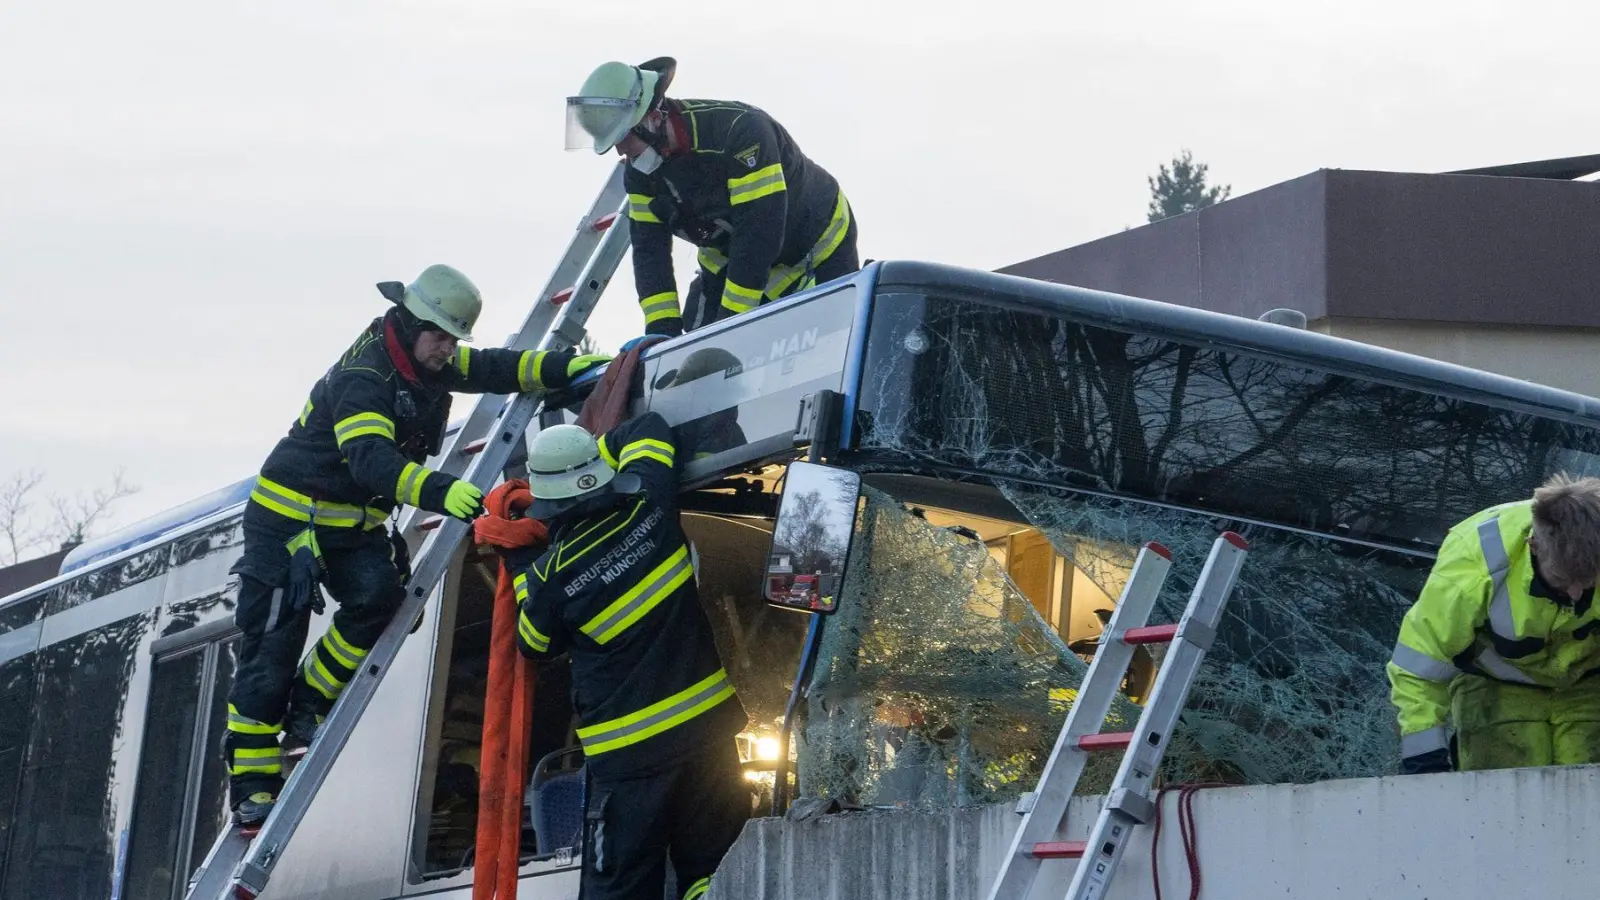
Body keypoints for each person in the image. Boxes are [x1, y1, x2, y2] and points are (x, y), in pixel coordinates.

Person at [223, 263, 611, 825]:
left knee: (380, 600)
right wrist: (440, 490)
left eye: (454, 338)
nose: (448, 349)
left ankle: (308, 698)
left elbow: (501, 367)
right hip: (290, 522)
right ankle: (252, 784)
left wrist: (570, 369)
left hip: (351, 522)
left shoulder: (427, 360)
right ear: (407, 324)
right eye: (439, 336)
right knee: (270, 651)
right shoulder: (364, 377)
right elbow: (370, 460)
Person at [509, 412, 750, 900]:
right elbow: (653, 428)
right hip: (707, 737)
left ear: (548, 502)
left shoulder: (550, 578)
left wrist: (517, 560)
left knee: (622, 887)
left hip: (630, 762)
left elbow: (533, 644)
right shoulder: (652, 507)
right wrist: (598, 447)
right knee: (716, 873)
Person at [566, 56, 860, 338]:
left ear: (653, 118)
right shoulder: (640, 175)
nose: (621, 152)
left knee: (831, 340)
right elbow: (649, 251)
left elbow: (758, 234)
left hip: (817, 244)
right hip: (730, 257)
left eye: (624, 139)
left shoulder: (740, 134)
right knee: (697, 347)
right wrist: (660, 332)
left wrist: (730, 325)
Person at [1388, 473, 1600, 775]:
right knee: (1505, 801)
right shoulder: (1474, 559)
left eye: (1589, 579)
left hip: (1589, 686)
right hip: (1493, 689)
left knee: (1587, 802)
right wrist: (1425, 759)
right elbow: (1419, 667)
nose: (1577, 593)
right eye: (1564, 579)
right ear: (1534, 546)